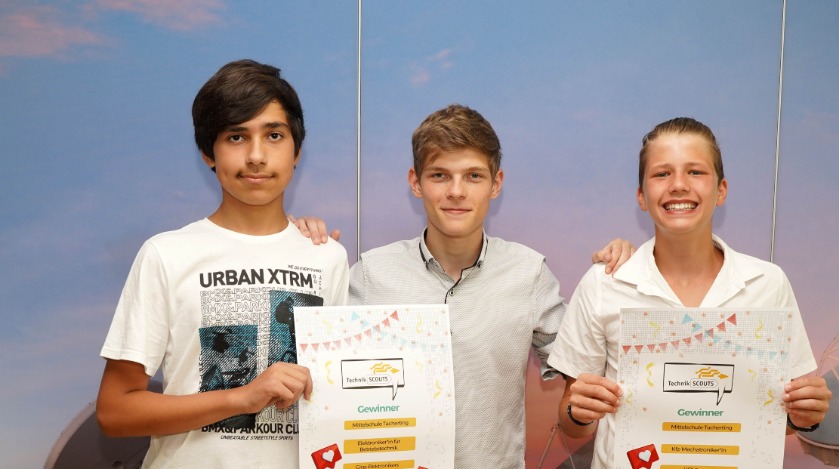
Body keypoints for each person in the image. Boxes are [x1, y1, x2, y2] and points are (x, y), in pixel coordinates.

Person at [298, 104, 627, 468]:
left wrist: (633, 264)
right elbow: (315, 376)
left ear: (496, 184)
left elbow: (578, 401)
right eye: (440, 175)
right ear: (415, 182)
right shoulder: (372, 273)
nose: (456, 191)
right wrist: (293, 248)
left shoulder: (529, 273)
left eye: (473, 176)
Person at [96, 59, 349, 468]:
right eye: (236, 137)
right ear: (207, 153)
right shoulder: (165, 254)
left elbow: (339, 395)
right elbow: (114, 410)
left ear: (297, 150)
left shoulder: (328, 257)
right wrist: (240, 397)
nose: (256, 156)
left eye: (274, 135)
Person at [549, 117, 831, 468]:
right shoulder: (604, 284)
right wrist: (580, 411)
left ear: (721, 190)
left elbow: (778, 418)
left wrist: (804, 414)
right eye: (661, 174)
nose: (678, 185)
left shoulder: (768, 283)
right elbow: (571, 423)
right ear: (641, 196)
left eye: (695, 172)